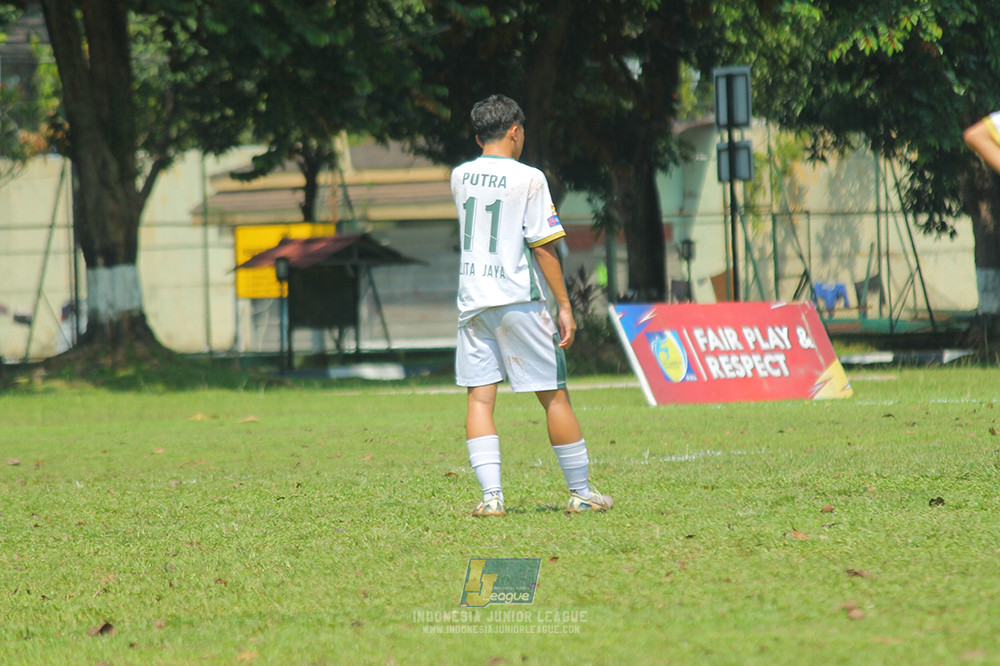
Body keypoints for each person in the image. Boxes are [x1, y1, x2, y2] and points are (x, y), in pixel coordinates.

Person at [450, 94, 613, 517]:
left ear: (477, 135)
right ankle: (580, 492)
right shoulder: (530, 179)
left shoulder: (460, 176)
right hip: (519, 301)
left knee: (480, 400)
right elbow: (542, 248)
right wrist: (564, 305)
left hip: (474, 303)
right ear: (515, 132)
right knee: (554, 398)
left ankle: (491, 499)